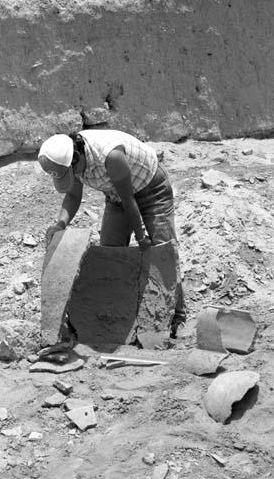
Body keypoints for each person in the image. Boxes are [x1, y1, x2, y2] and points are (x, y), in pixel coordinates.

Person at [38, 129, 185, 335]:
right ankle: (121, 316)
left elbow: (129, 200)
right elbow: (73, 196)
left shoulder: (111, 156)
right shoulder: (70, 158)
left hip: (151, 189)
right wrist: (60, 224)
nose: (74, 176)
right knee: (109, 252)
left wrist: (142, 238)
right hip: (116, 194)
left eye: (70, 172)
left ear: (76, 158)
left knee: (162, 251)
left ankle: (177, 317)